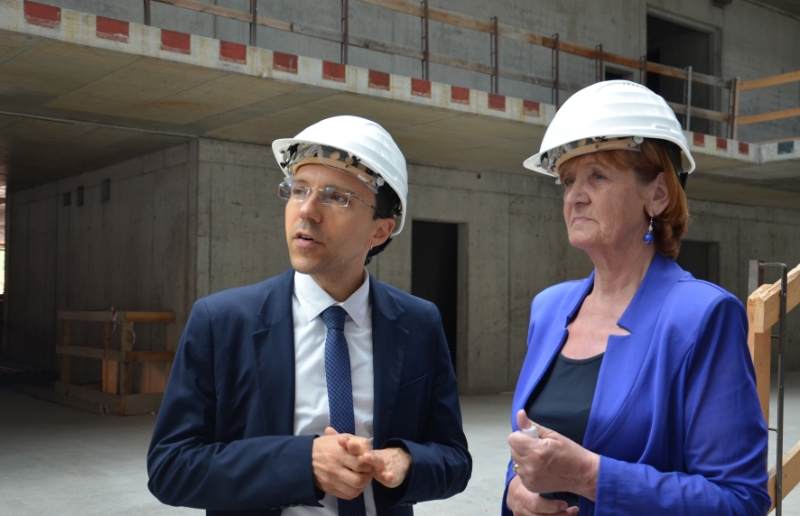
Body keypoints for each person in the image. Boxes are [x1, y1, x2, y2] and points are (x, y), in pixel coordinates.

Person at [147, 115, 471, 516]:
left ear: (380, 231)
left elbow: (455, 459)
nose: (307, 211)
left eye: (336, 197)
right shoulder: (221, 321)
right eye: (299, 190)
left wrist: (407, 461)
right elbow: (170, 467)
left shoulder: (419, 323)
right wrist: (302, 463)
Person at [503, 81, 770, 516]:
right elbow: (531, 452)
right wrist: (516, 490)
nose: (575, 196)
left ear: (658, 194)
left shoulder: (702, 315)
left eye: (598, 176)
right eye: (568, 180)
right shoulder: (549, 308)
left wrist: (589, 476)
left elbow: (739, 501)